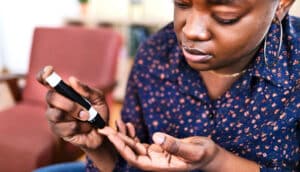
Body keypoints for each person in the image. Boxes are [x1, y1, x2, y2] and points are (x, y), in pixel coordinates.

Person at [37, 0, 299, 171]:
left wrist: (218, 163)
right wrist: (101, 145)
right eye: (182, 4)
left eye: (225, 16)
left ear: (282, 4)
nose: (191, 31)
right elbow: (127, 164)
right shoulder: (155, 54)